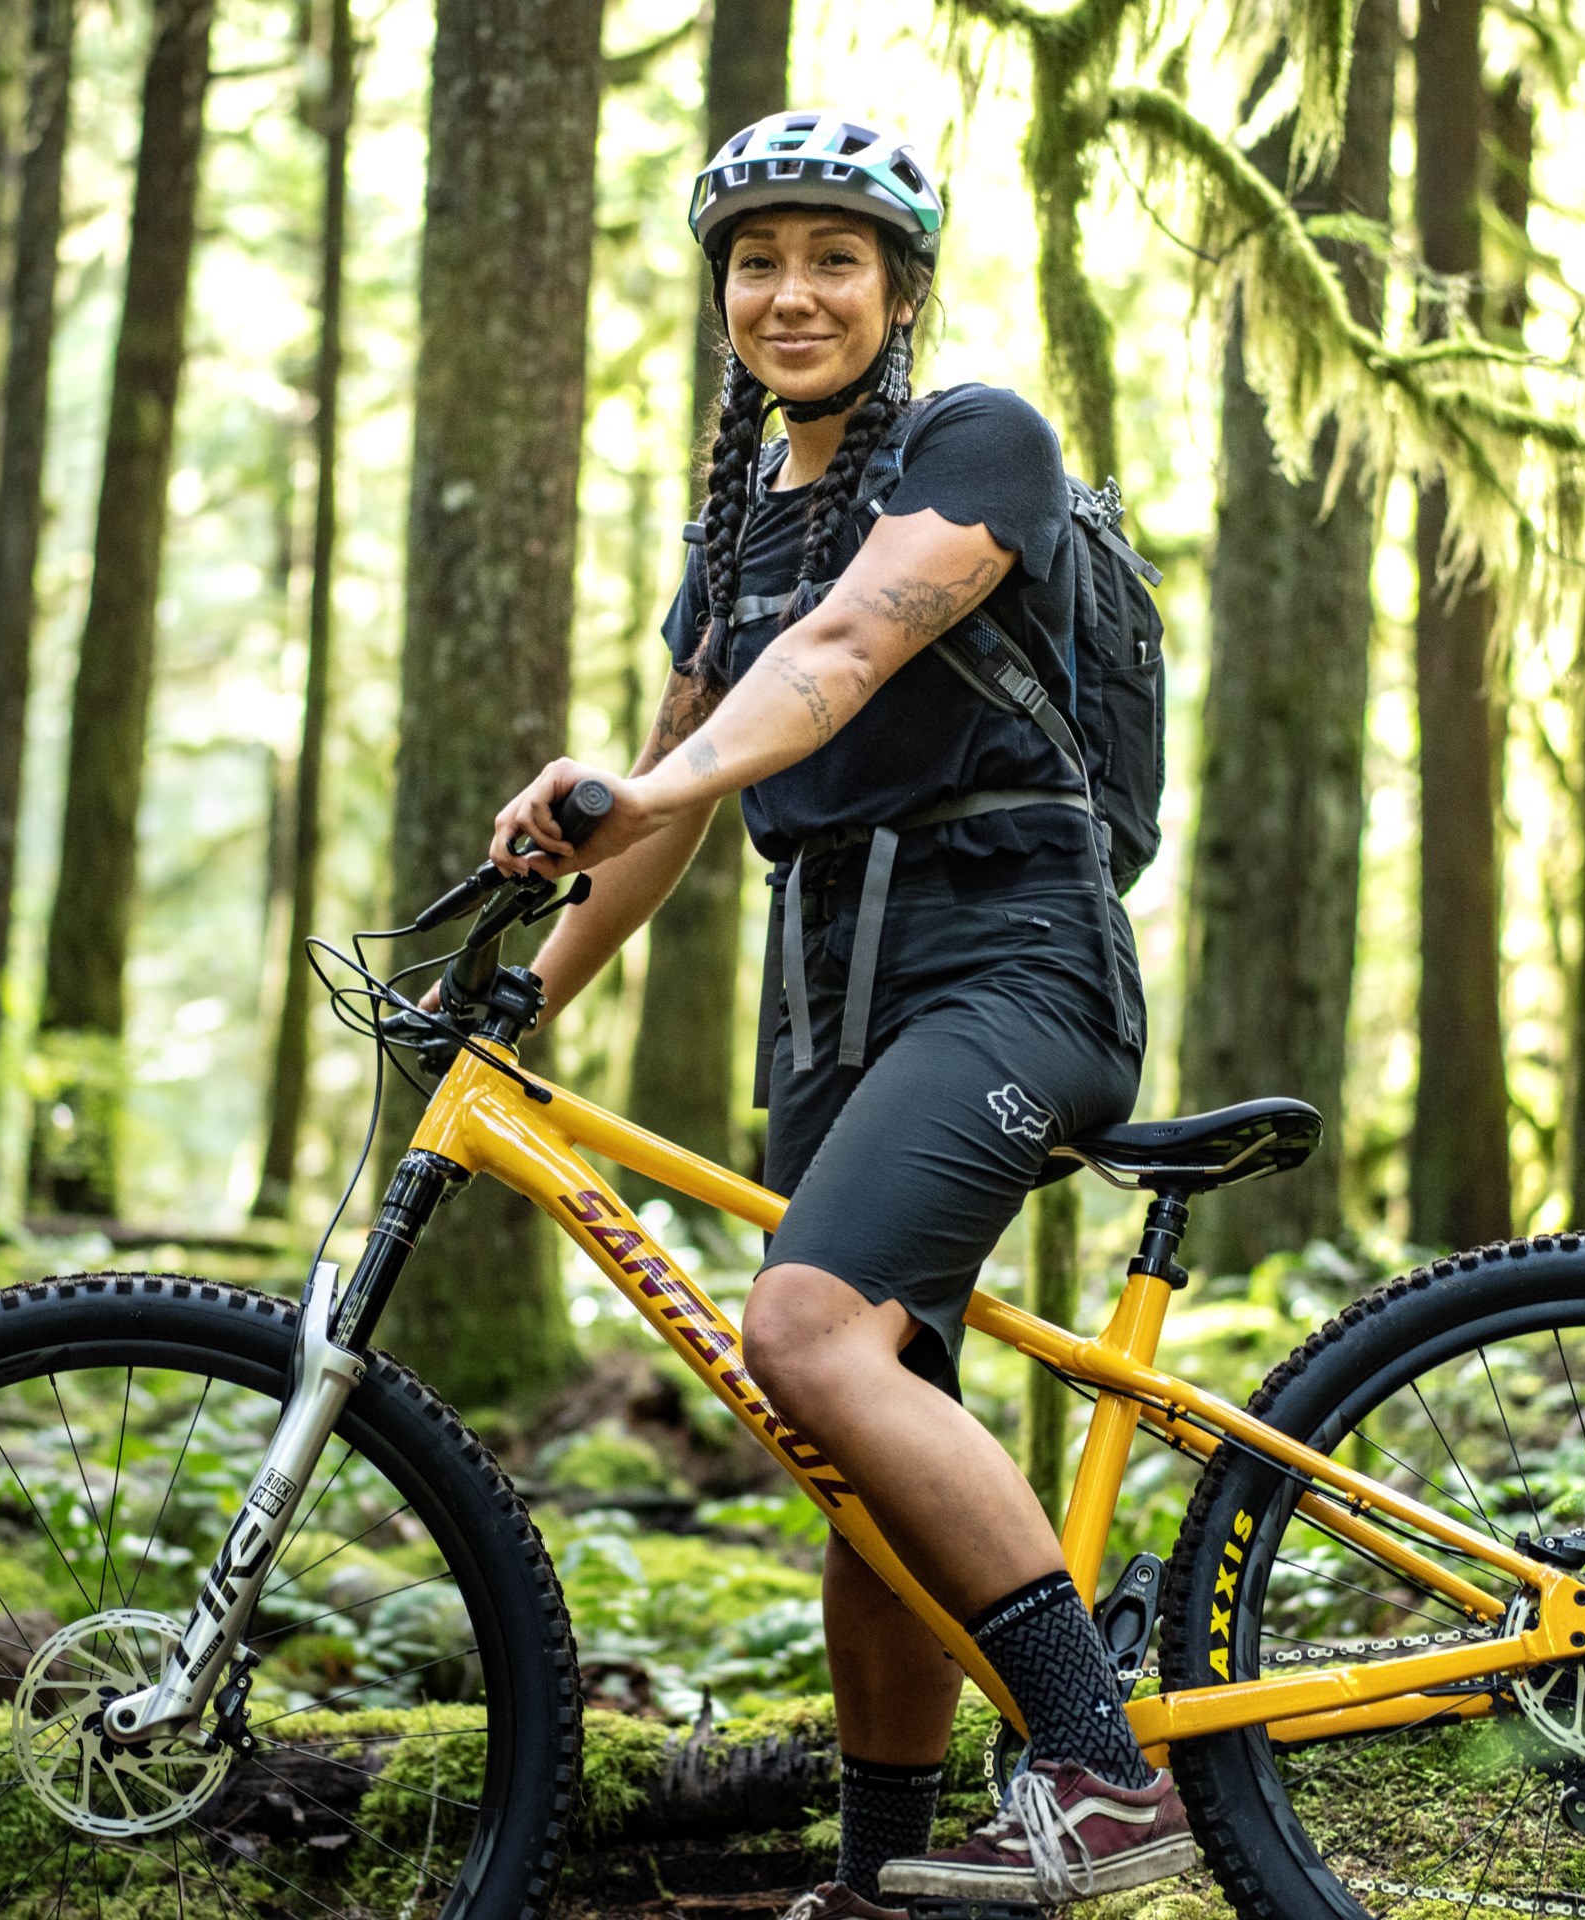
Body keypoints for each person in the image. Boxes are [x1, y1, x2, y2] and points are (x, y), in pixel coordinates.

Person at [486, 112, 1190, 1916]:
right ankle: (889, 1879)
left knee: (802, 1330)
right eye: (757, 263)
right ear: (723, 292)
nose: (791, 293)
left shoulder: (980, 445)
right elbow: (673, 804)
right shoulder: (735, 536)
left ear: (898, 287)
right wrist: (516, 1005)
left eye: (834, 260)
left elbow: (841, 659)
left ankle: (1104, 1779)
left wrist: (645, 790)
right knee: (857, 1444)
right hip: (835, 1008)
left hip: (1017, 962)